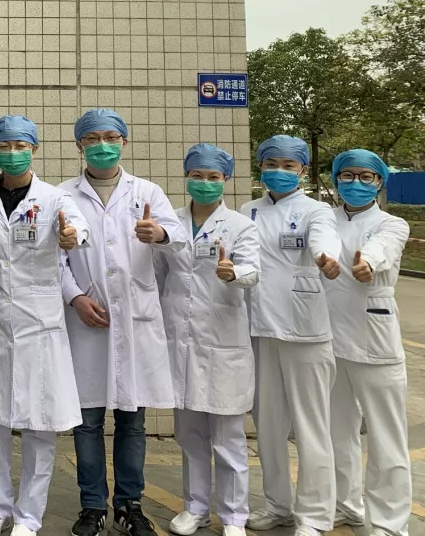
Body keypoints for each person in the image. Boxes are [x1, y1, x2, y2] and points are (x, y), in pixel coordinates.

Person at [0, 115, 89, 536]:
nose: (12, 153)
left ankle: (29, 516)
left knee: (39, 423)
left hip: (39, 326)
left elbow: (77, 227)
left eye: (20, 146)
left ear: (34, 149)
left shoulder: (53, 198)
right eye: (4, 146)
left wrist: (72, 236)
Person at [58, 108, 187, 536]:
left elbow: (178, 239)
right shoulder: (63, 195)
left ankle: (130, 504)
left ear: (124, 142)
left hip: (135, 320)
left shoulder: (147, 191)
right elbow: (54, 259)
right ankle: (92, 505)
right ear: (79, 145)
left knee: (132, 421)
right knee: (87, 420)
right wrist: (75, 297)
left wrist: (160, 235)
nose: (102, 145)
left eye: (110, 137)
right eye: (92, 138)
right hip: (87, 321)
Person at [154, 144, 260, 536]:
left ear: (225, 180)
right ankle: (195, 507)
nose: (204, 183)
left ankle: (234, 516)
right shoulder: (170, 222)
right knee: (189, 434)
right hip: (180, 341)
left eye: (213, 177)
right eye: (197, 175)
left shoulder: (241, 226)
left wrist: (235, 273)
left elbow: (253, 269)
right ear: (186, 177)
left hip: (223, 340)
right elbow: (158, 275)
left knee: (228, 438)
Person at [240, 135, 341, 536]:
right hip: (260, 328)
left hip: (305, 332)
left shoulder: (318, 210)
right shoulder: (248, 210)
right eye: (271, 164)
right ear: (260, 166)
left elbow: (323, 239)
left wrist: (326, 258)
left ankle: (314, 515)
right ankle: (277, 505)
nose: (278, 171)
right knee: (267, 425)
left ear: (302, 170)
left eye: (288, 165)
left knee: (311, 425)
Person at [326, 149, 411, 536]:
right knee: (336, 431)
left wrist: (368, 263)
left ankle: (390, 524)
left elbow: (382, 249)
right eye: (347, 175)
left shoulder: (392, 224)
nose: (356, 183)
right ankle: (346, 505)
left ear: (379, 182)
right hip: (329, 340)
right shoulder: (324, 219)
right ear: (335, 179)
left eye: (366, 176)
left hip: (375, 341)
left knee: (386, 435)